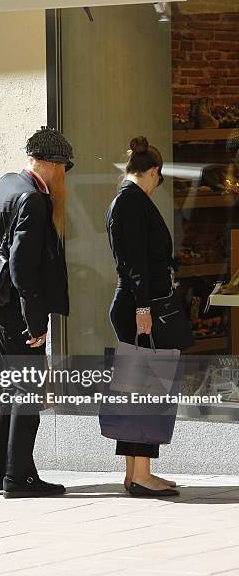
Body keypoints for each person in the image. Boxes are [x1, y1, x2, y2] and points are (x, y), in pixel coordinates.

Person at [0, 126, 73, 498]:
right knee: (28, 392)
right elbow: (22, 269)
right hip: (18, 311)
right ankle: (18, 479)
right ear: (52, 164)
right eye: (65, 167)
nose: (65, 174)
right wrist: (36, 323)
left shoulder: (6, 183)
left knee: (11, 389)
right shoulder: (34, 200)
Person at [102, 136, 180, 497]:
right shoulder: (132, 202)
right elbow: (134, 263)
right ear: (152, 171)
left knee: (138, 388)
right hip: (138, 306)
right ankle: (142, 474)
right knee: (146, 389)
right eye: (158, 180)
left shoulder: (126, 201)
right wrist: (144, 308)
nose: (156, 186)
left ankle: (136, 472)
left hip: (136, 304)